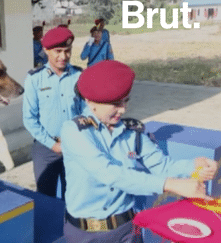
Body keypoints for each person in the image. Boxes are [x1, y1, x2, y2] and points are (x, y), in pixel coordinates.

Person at [60, 60, 218, 243]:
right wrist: (170, 184)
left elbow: (162, 166)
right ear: (90, 102)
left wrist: (195, 165)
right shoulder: (74, 131)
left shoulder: (131, 133)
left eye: (126, 101)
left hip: (126, 230)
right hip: (86, 235)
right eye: (115, 104)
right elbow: (108, 173)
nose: (123, 109)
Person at [23, 26, 84, 198]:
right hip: (45, 148)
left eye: (67, 51)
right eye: (58, 51)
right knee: (45, 196)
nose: (63, 56)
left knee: (73, 194)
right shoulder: (35, 79)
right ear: (46, 50)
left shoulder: (79, 76)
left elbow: (86, 112)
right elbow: (29, 119)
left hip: (73, 146)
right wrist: (53, 145)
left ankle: (69, 225)